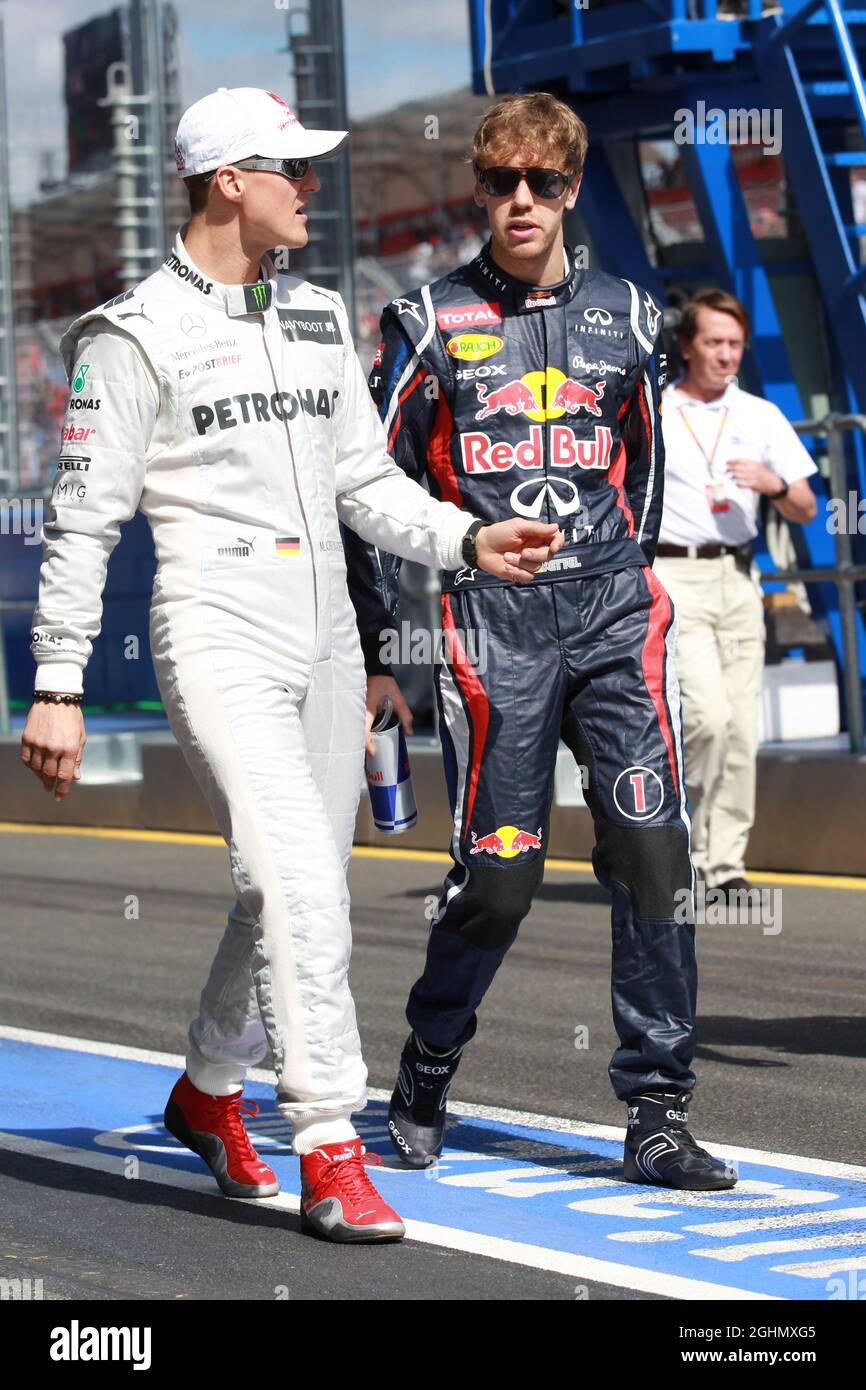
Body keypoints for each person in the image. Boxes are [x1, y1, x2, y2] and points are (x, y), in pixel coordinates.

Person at [20, 87, 561, 1244]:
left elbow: (362, 481)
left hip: (326, 646)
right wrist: (57, 682)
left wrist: (466, 539)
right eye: (293, 169)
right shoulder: (131, 333)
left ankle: (207, 1091)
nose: (313, 186)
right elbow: (81, 521)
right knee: (302, 890)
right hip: (217, 632)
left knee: (290, 883)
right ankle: (327, 1142)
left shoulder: (316, 314)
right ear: (229, 181)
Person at [345, 91, 736, 1191]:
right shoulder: (425, 322)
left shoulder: (631, 313)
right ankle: (428, 1059)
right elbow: (369, 492)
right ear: (479, 189)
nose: (521, 201)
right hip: (493, 624)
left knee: (654, 852)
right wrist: (384, 650)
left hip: (612, 613)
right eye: (501, 182)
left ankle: (656, 1109)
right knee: (501, 876)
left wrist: (629, 579)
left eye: (544, 182)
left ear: (569, 188)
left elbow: (644, 471)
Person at [654, 289, 817, 898]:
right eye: (714, 343)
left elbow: (806, 507)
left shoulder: (760, 414)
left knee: (744, 730)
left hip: (739, 578)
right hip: (676, 576)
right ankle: (683, 846)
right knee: (708, 719)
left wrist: (773, 484)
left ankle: (724, 865)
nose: (726, 355)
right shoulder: (658, 409)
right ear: (687, 346)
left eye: (735, 344)